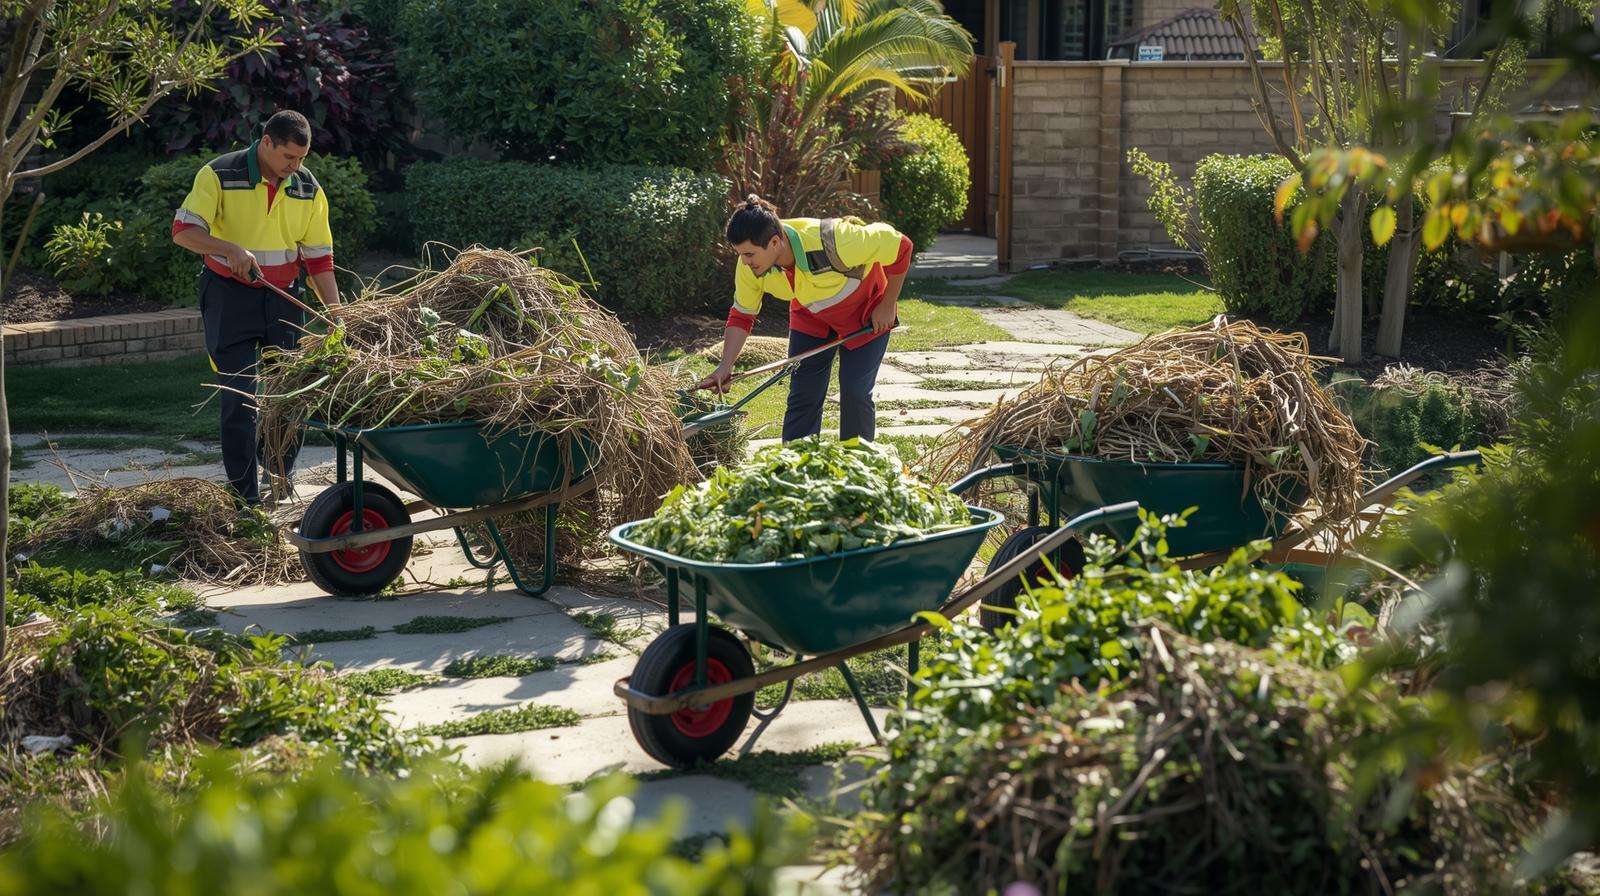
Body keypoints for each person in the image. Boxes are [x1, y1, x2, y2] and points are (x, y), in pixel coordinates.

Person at [172, 110, 342, 507]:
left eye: (302, 158)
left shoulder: (307, 188)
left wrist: (337, 315)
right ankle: (244, 498)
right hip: (228, 297)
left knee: (289, 395)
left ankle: (280, 482)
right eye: (288, 157)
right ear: (266, 143)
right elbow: (184, 232)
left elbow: (318, 261)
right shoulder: (218, 175)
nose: (296, 167)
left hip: (283, 297)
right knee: (238, 397)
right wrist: (228, 248)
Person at [696, 195, 912, 442]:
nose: (745, 261)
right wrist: (725, 367)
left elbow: (901, 246)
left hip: (866, 314)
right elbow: (742, 315)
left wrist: (888, 304)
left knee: (855, 393)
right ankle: (797, 467)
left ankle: (858, 465)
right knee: (803, 394)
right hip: (811, 314)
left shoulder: (834, 239)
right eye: (741, 254)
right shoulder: (749, 267)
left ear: (775, 242)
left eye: (750, 254)